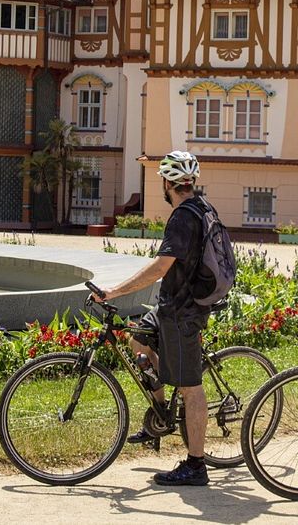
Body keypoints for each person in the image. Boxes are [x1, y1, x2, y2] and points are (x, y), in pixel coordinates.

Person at [94, 150, 216, 487]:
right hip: (170, 308)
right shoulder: (201, 207)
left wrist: (114, 292)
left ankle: (196, 465)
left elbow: (161, 267)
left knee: (191, 389)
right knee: (138, 340)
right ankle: (159, 416)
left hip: (183, 313)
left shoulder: (183, 218)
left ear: (167, 182)